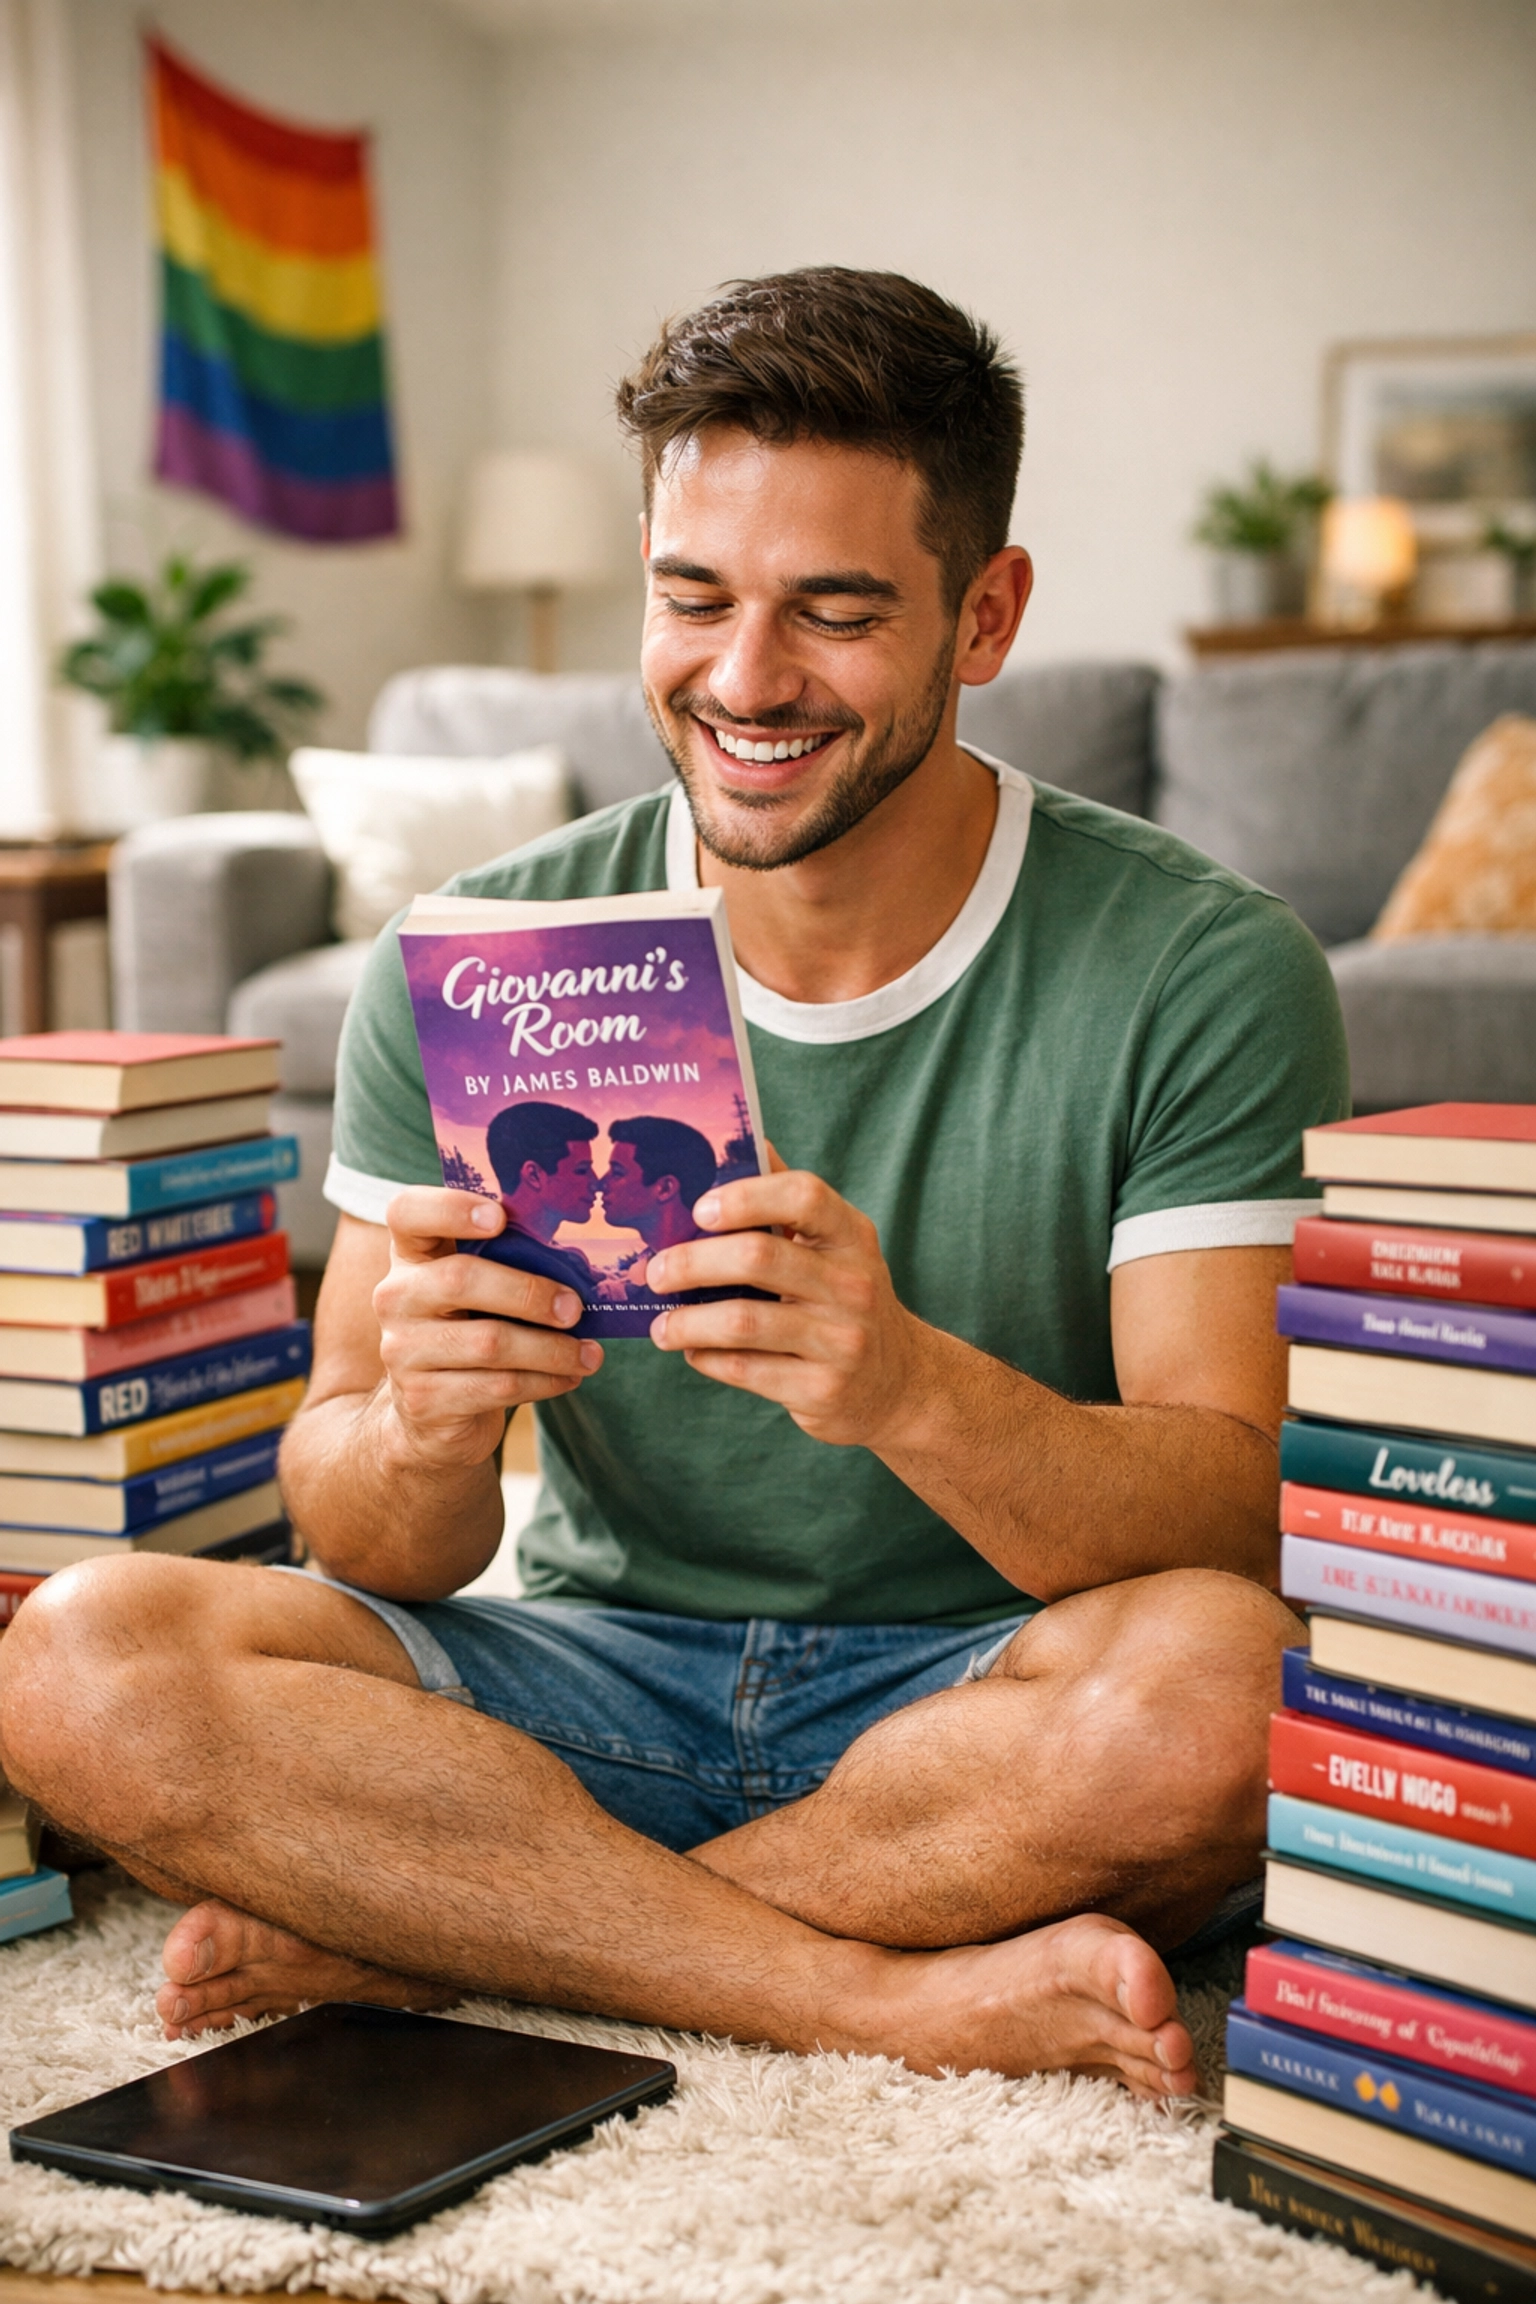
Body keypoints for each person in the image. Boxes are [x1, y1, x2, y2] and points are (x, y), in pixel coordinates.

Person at [0, 268, 1349, 2096]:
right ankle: (848, 1991)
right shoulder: (478, 954)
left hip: (983, 1694)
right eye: (693, 597)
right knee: (79, 1659)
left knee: (1235, 1685)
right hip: (573, 1680)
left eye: (835, 611)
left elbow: (1236, 1513)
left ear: (986, 615)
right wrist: (420, 1425)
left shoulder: (1200, 966)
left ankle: (446, 1940)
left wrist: (905, 1384)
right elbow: (363, 1531)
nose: (744, 679)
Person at [481, 1102, 601, 1296]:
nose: (596, 1182)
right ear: (534, 1175)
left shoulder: (493, 1249)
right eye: (582, 1170)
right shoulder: (539, 1266)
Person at [599, 1116, 718, 1293]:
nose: (600, 1184)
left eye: (617, 1172)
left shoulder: (716, 1274)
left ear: (665, 1188)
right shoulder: (650, 1264)